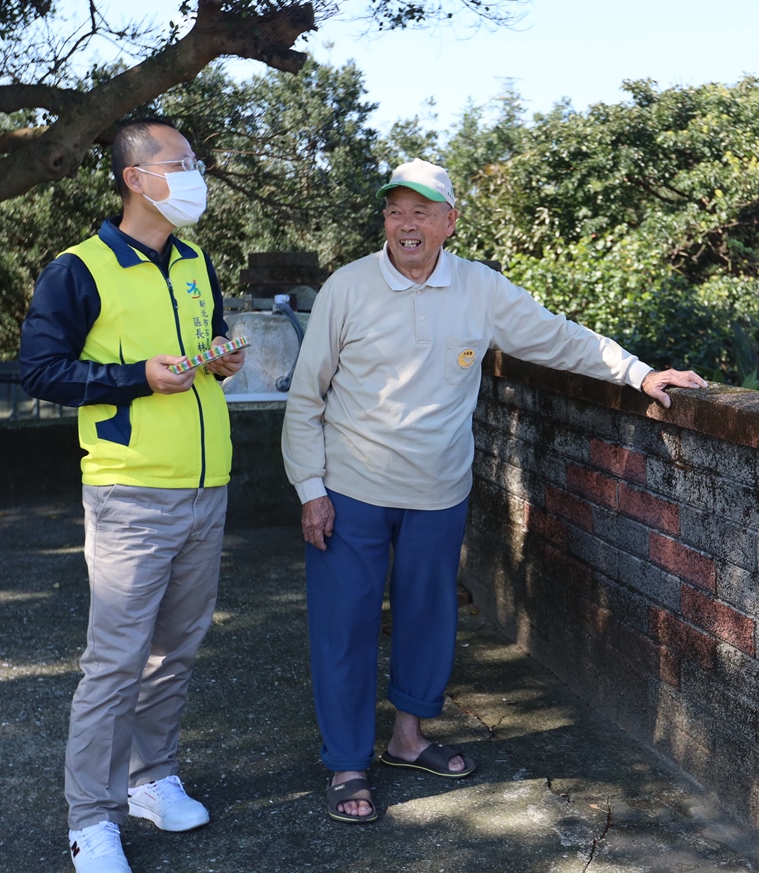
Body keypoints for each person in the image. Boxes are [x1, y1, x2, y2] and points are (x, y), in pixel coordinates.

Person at [280, 158, 706, 823]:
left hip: (439, 490)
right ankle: (346, 762)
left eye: (423, 211)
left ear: (450, 221)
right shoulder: (348, 287)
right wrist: (311, 487)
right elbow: (305, 398)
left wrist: (638, 372)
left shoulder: (478, 288)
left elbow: (557, 337)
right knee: (344, 628)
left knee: (430, 620)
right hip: (350, 488)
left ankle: (408, 738)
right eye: (396, 210)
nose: (407, 224)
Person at [19, 119, 246, 873]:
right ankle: (91, 818)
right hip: (129, 492)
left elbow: (196, 345)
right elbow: (41, 373)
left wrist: (218, 361)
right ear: (134, 178)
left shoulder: (193, 260)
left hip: (204, 485)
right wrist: (135, 376)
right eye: (179, 163)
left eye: (194, 162)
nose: (193, 174)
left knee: (175, 651)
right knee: (114, 661)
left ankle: (153, 779)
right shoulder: (78, 269)